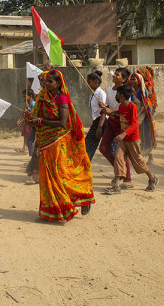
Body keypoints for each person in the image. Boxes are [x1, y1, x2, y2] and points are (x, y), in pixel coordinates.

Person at [24, 70, 97, 220]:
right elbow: (35, 119)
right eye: (45, 81)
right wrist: (28, 119)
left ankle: (82, 195)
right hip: (44, 142)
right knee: (47, 177)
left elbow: (62, 123)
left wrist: (41, 121)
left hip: (59, 142)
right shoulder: (42, 98)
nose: (46, 84)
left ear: (58, 83)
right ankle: (51, 211)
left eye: (50, 81)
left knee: (61, 175)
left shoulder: (61, 98)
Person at [99, 84, 155, 194]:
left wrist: (123, 134)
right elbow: (118, 116)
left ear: (123, 96)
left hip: (132, 139)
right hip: (123, 139)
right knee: (119, 159)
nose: (116, 96)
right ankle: (117, 185)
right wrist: (106, 110)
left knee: (138, 161)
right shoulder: (121, 107)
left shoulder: (132, 107)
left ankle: (152, 178)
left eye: (118, 95)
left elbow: (134, 124)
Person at [96, 68, 133, 184]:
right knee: (103, 148)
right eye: (115, 74)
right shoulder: (109, 90)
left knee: (121, 152)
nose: (114, 76)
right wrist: (101, 125)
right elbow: (106, 108)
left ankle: (126, 178)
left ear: (124, 79)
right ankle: (120, 171)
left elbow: (123, 112)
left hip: (121, 124)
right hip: (111, 123)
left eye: (117, 75)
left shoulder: (126, 94)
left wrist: (109, 111)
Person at [84, 72, 106, 162]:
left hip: (101, 122)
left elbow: (104, 111)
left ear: (96, 82)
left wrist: (99, 127)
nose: (88, 84)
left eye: (89, 82)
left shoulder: (101, 94)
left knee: (89, 144)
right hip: (95, 122)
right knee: (88, 145)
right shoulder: (94, 94)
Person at [19, 88, 38, 184]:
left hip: (36, 126)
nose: (23, 98)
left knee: (31, 143)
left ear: (30, 96)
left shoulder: (34, 104)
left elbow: (33, 115)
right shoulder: (30, 105)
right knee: (30, 142)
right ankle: (31, 164)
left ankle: (33, 167)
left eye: (24, 96)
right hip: (33, 126)